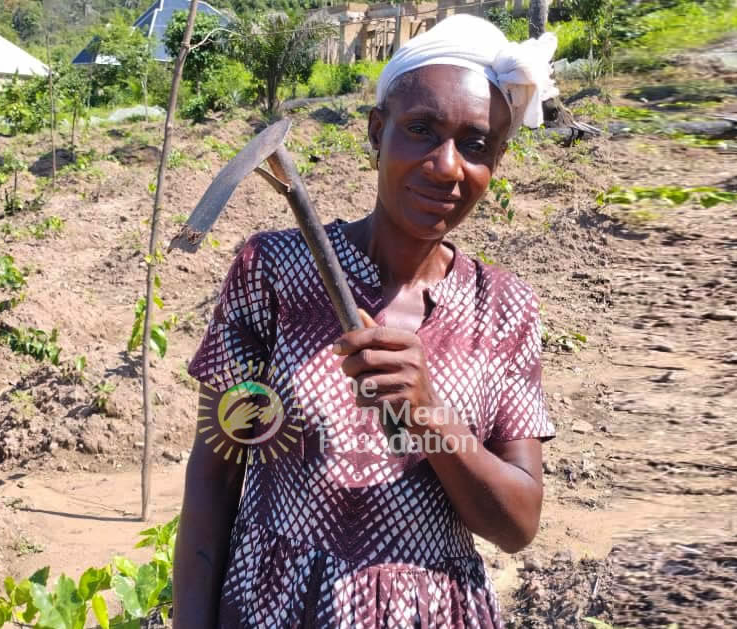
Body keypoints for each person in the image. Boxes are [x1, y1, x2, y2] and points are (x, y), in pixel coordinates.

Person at [173, 14, 558, 629]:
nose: (447, 165)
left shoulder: (501, 307)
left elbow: (516, 525)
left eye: (476, 145)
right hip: (271, 606)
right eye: (421, 130)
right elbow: (216, 471)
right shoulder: (273, 274)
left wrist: (431, 417)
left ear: (498, 161)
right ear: (377, 131)